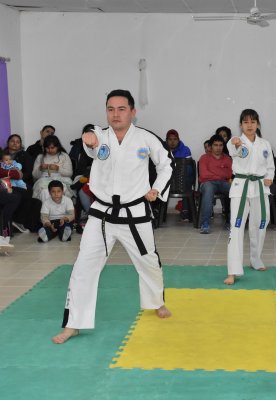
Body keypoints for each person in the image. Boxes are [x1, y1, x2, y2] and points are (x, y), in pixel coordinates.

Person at [52, 89, 173, 344]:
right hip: (102, 214)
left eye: (121, 109)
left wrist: (157, 189)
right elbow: (91, 144)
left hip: (135, 212)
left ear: (132, 112)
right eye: (110, 109)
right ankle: (74, 323)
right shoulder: (100, 137)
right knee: (84, 266)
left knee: (148, 261)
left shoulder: (145, 139)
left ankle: (156, 301)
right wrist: (89, 140)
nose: (115, 114)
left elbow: (166, 164)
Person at [224, 109, 274, 285]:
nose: (250, 125)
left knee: (261, 222)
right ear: (240, 125)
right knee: (236, 227)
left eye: (253, 122)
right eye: (246, 122)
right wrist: (236, 144)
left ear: (258, 124)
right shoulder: (236, 142)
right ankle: (233, 271)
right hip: (241, 187)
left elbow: (270, 165)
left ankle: (256, 259)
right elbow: (232, 150)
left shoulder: (265, 144)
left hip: (260, 187)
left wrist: (269, 177)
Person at [4, 134, 40, 232]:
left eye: (17, 142)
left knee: (27, 190)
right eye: (12, 141)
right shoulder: (1, 154)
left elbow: (28, 173)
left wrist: (17, 176)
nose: (15, 143)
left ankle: (18, 221)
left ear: (20, 144)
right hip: (4, 181)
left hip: (20, 181)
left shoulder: (25, 155)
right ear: (8, 143)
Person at [198, 134, 232, 234]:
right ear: (210, 146)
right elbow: (204, 175)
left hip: (223, 183)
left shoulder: (227, 159)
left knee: (235, 190)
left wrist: (213, 172)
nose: (218, 148)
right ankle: (205, 224)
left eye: (220, 145)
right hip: (207, 183)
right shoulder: (204, 158)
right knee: (208, 190)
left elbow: (229, 174)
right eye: (215, 145)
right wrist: (221, 172)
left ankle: (231, 222)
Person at [32, 135, 74, 201]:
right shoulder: (40, 157)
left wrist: (58, 169)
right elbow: (34, 175)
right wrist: (40, 168)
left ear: (57, 147)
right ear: (44, 147)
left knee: (61, 190)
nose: (50, 150)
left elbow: (69, 174)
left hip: (61, 181)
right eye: (48, 148)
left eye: (52, 148)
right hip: (44, 181)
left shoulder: (64, 156)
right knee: (45, 192)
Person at [166, 129, 193, 221]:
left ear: (178, 140)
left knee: (188, 174)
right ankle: (157, 210)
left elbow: (189, 169)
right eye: (170, 139)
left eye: (175, 139)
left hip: (182, 178)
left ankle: (185, 210)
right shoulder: (162, 149)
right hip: (167, 178)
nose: (172, 142)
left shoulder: (185, 149)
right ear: (166, 140)